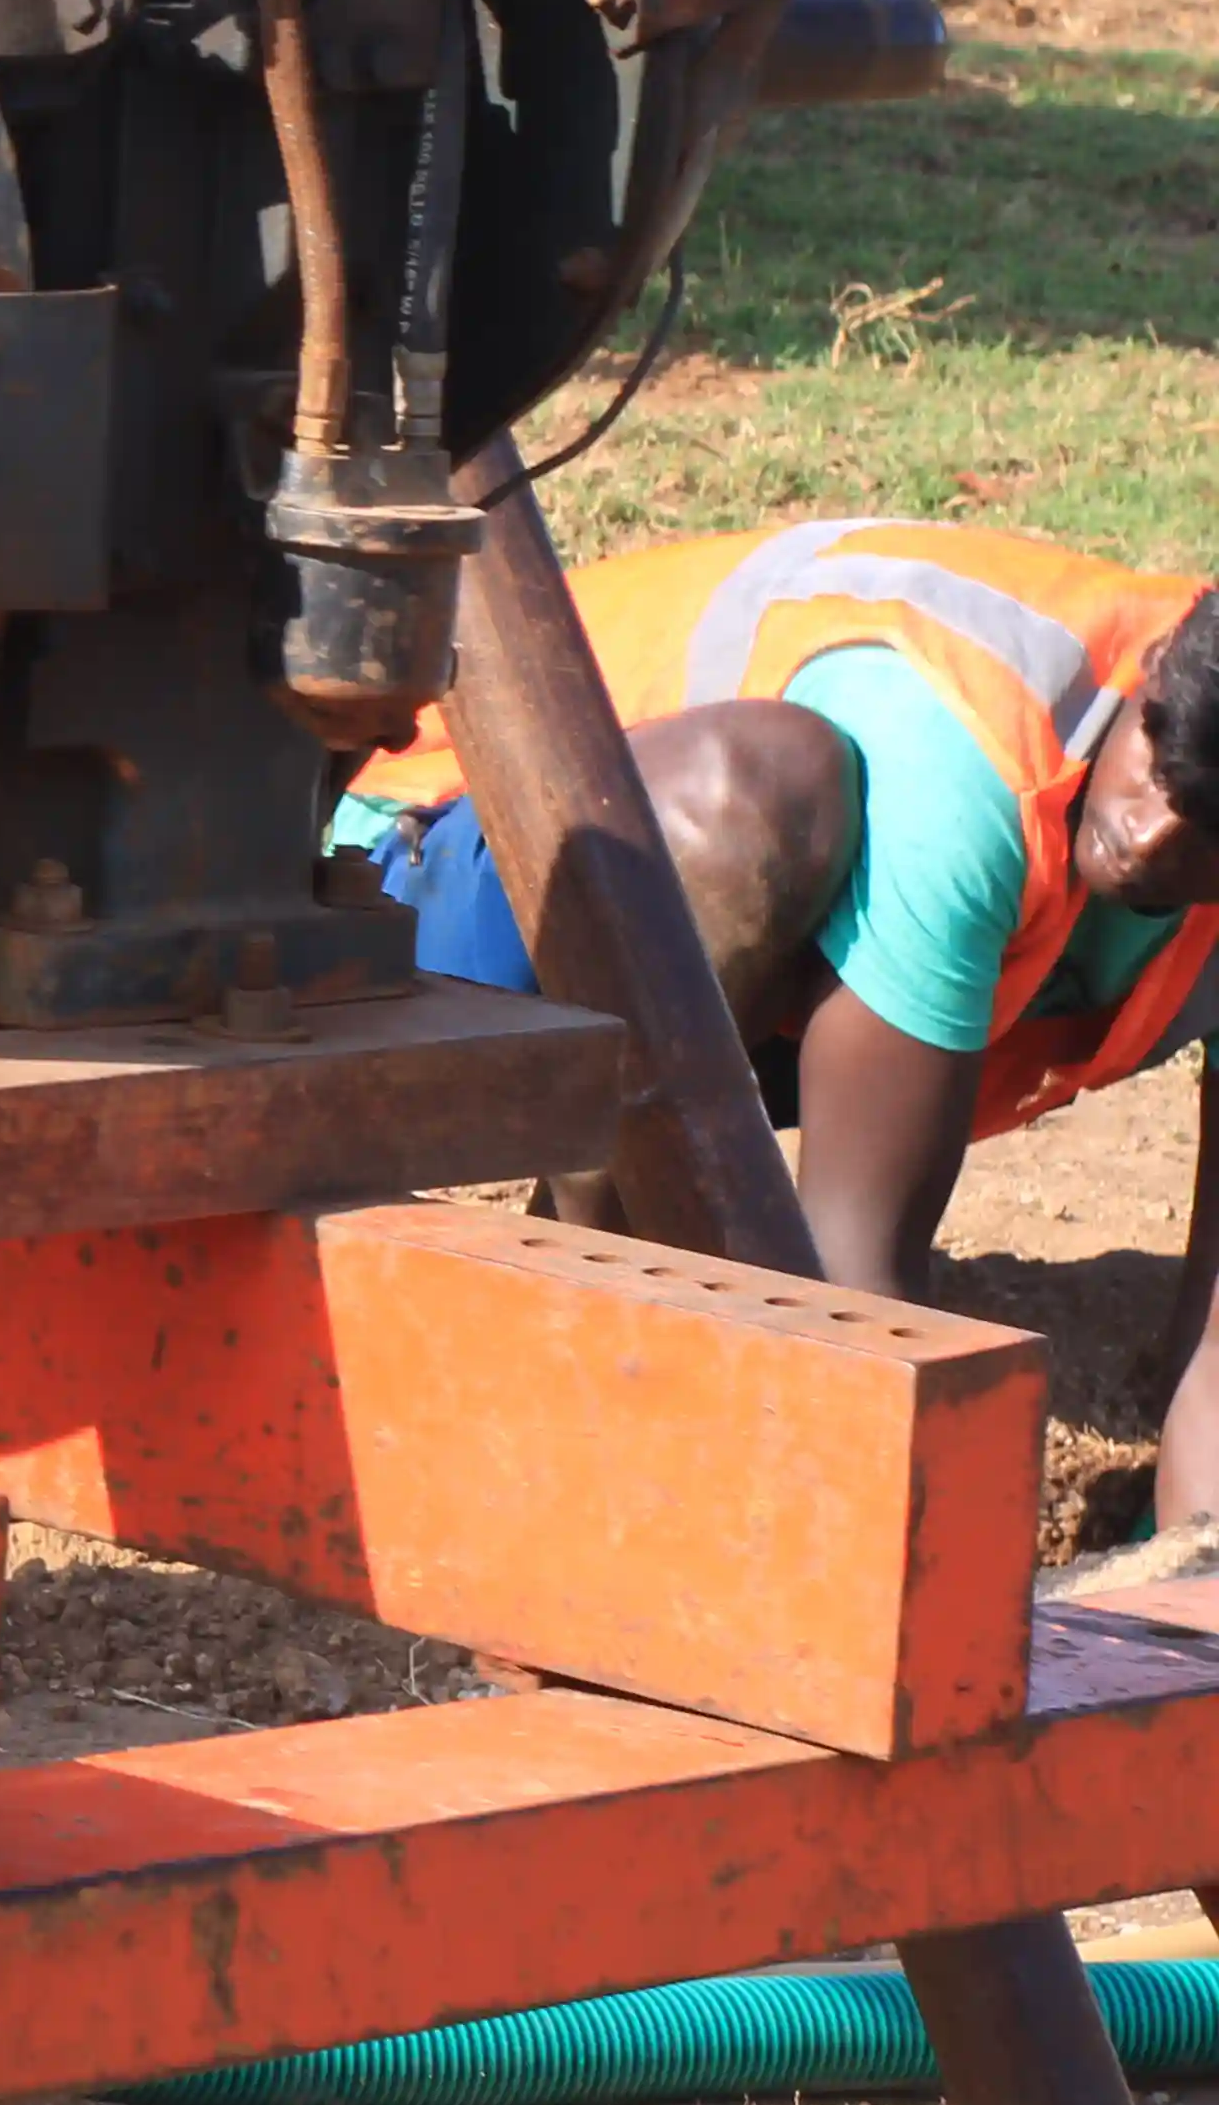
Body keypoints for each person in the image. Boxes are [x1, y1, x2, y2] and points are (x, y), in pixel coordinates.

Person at [344, 516, 1219, 1513]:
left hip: (729, 1000)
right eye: (1161, 765)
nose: (1153, 833)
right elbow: (853, 1274)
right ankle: (588, 1296)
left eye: (1210, 834)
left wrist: (1179, 1597)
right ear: (1155, 675)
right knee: (755, 798)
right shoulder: (972, 759)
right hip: (427, 882)